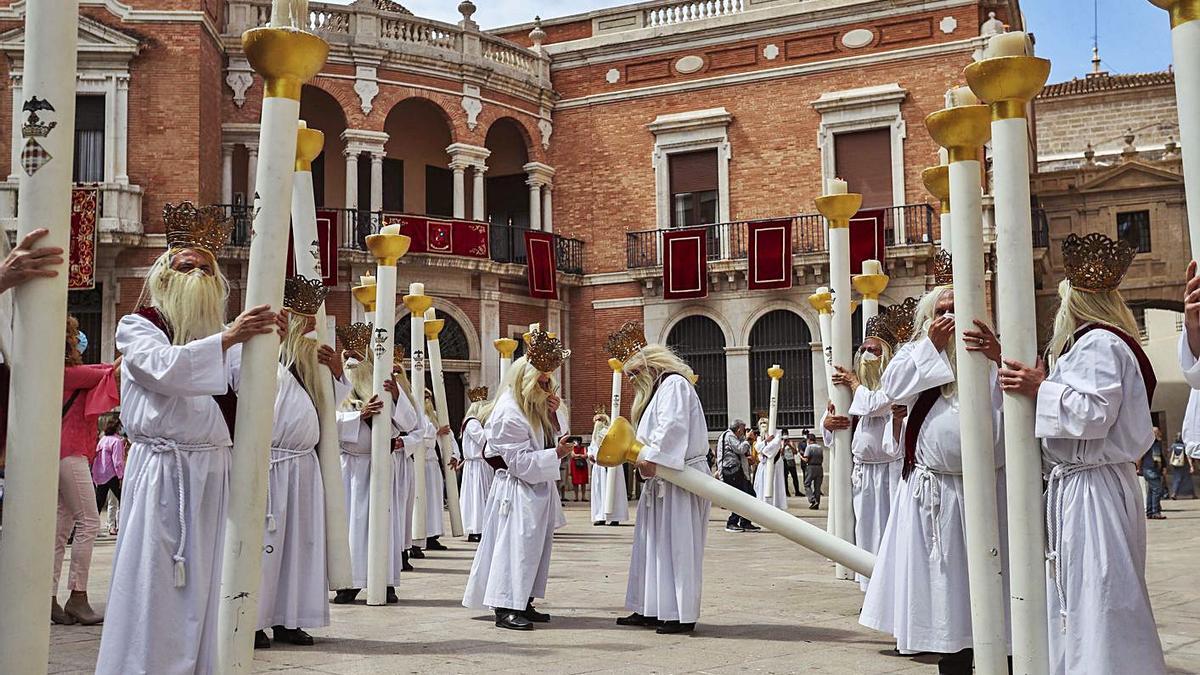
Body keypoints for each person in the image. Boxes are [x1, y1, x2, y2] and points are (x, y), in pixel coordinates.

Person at [96, 202, 281, 675]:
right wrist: (228, 339)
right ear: (164, 276)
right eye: (186, 266)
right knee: (157, 583)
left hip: (215, 473)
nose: (197, 273)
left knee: (209, 584)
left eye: (206, 268)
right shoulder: (137, 328)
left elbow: (260, 392)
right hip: (164, 473)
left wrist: (269, 341)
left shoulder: (223, 338)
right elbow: (164, 371)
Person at [999, 231, 1165, 674]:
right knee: (1088, 586)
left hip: (1093, 488)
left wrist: (1041, 388)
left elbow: (1092, 413)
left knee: (1099, 588)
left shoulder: (1099, 343)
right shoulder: (1094, 344)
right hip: (1086, 484)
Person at [858, 271, 1010, 673]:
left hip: (992, 490)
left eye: (956, 309)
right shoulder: (916, 354)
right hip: (936, 493)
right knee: (946, 590)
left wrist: (998, 355)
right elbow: (892, 388)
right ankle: (953, 657)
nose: (948, 317)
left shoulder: (995, 351)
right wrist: (933, 347)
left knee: (997, 584)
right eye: (940, 311)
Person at [252, 276, 350, 649]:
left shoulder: (309, 366)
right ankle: (255, 619)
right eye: (307, 324)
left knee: (300, 547)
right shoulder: (268, 358)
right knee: (267, 545)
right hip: (272, 465)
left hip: (304, 467)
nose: (314, 332)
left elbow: (329, 408)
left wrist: (338, 372)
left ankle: (289, 619)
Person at [462, 328, 572, 630]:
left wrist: (553, 416)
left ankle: (523, 600)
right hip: (516, 490)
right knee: (515, 547)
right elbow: (519, 462)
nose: (547, 386)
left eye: (549, 381)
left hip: (535, 489)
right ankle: (505, 605)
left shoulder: (532, 407)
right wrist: (557, 455)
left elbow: (552, 437)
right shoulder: (509, 412)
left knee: (534, 548)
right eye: (543, 380)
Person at [606, 322, 711, 635]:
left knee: (678, 546)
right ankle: (650, 606)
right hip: (661, 478)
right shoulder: (657, 391)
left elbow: (672, 427)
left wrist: (652, 456)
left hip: (680, 477)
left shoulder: (675, 385)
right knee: (652, 546)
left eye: (635, 374)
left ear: (650, 365)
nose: (633, 382)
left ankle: (680, 613)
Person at [828, 300, 914, 591]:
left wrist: (853, 385)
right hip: (864, 472)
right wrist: (828, 424)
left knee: (890, 530)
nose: (866, 355)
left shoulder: (891, 385)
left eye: (874, 350)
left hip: (890, 470)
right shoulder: (855, 392)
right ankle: (870, 586)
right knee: (866, 529)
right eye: (863, 350)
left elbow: (875, 405)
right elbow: (831, 420)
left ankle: (892, 585)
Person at [334, 328, 419, 603]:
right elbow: (326, 419)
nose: (350, 365)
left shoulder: (382, 388)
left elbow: (412, 424)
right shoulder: (336, 388)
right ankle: (350, 581)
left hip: (381, 466)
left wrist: (395, 397)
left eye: (357, 359)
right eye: (347, 359)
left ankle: (384, 579)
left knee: (385, 523)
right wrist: (358, 416)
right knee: (353, 524)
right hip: (351, 468)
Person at [53, 316, 119, 626]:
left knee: (61, 527)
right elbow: (108, 371)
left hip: (66, 451)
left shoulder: (63, 373)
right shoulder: (68, 373)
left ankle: (48, 595)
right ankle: (77, 595)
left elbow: (103, 371)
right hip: (70, 452)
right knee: (90, 521)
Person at [407, 389, 457, 554]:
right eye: (424, 397)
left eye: (429, 397)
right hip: (420, 463)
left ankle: (432, 534)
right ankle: (418, 537)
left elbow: (449, 437)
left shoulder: (435, 415)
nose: (427, 400)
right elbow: (420, 435)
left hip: (433, 464)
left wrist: (453, 454)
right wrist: (436, 432)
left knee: (434, 501)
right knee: (421, 501)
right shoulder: (415, 412)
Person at [459, 386, 495, 543]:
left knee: (481, 497)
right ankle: (476, 528)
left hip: (481, 464)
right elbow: (484, 439)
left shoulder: (475, 423)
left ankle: (482, 527)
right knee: (477, 497)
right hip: (476, 466)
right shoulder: (472, 423)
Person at [717, 420, 759, 532]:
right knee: (739, 497)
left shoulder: (736, 438)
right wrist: (748, 439)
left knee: (750, 495)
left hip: (739, 471)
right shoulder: (729, 436)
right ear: (739, 429)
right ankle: (732, 522)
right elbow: (740, 449)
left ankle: (745, 521)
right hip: (732, 471)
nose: (745, 432)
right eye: (744, 429)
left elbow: (743, 452)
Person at [587, 411, 628, 526]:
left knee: (614, 491)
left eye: (599, 421)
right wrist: (591, 455)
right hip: (599, 467)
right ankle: (601, 516)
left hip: (611, 465)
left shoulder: (609, 433)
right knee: (600, 492)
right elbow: (592, 447)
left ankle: (615, 516)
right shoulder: (595, 435)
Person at [92, 415, 126, 536]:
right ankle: (125, 525)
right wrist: (121, 475)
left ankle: (92, 528)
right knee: (124, 499)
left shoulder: (103, 439)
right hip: (112, 475)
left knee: (98, 503)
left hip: (101, 474)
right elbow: (117, 461)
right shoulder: (117, 441)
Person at [752, 419, 785, 509]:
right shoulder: (760, 437)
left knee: (774, 484)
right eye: (761, 423)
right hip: (763, 464)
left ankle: (775, 505)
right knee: (762, 485)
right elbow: (757, 447)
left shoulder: (777, 433)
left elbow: (775, 445)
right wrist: (766, 441)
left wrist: (763, 449)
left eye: (765, 423)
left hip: (775, 463)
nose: (763, 425)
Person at [1140, 430, 1167, 519]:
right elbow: (1142, 456)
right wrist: (1138, 467)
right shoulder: (1151, 443)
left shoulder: (1152, 443)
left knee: (1151, 491)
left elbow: (1160, 457)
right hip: (1151, 470)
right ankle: (1156, 512)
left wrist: (1164, 467)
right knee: (1157, 490)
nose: (1160, 433)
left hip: (1151, 469)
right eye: (1157, 432)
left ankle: (1150, 512)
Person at [801, 433, 824, 510]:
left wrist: (801, 456)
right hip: (819, 467)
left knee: (807, 484)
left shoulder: (809, 447)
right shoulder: (820, 447)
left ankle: (812, 500)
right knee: (817, 487)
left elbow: (806, 459)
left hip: (811, 467)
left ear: (809, 440)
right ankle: (817, 503)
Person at [1168, 433, 1194, 498]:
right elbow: (1188, 456)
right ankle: (1192, 494)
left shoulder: (1173, 446)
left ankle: (1174, 493)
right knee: (1188, 480)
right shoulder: (1184, 446)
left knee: (1176, 479)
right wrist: (1191, 466)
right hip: (1184, 466)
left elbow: (1169, 453)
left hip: (1176, 465)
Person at [570, 437, 589, 501]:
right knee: (575, 482)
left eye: (575, 441)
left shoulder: (583, 448)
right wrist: (581, 455)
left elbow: (586, 456)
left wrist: (577, 456)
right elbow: (573, 455)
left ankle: (583, 496)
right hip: (575, 466)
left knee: (583, 482)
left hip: (583, 465)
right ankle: (576, 497)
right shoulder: (572, 448)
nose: (574, 442)